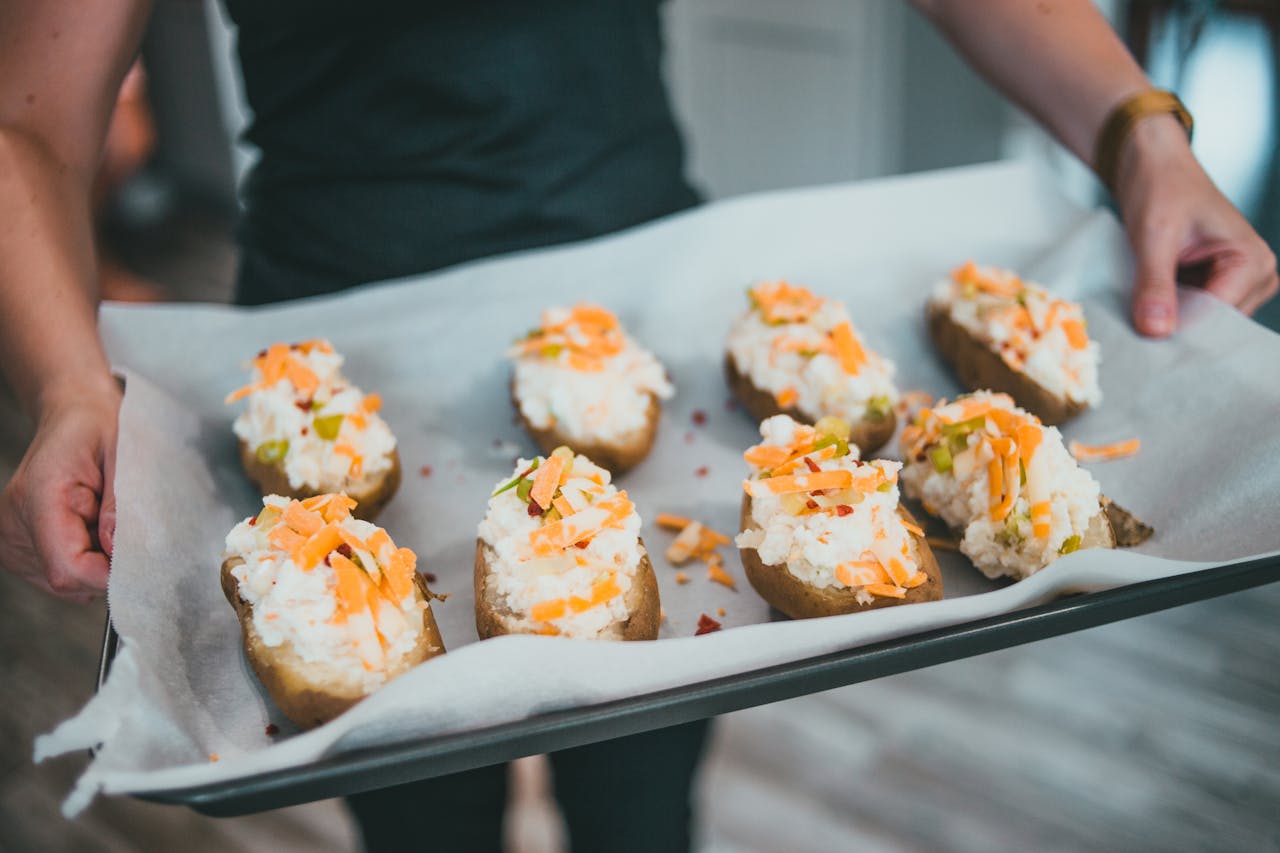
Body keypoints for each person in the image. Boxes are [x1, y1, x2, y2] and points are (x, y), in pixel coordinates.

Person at [1, 1, 1275, 850]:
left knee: (643, 798)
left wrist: (1138, 135)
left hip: (641, 285)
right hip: (331, 299)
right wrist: (69, 384)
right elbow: (31, 118)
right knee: (419, 817)